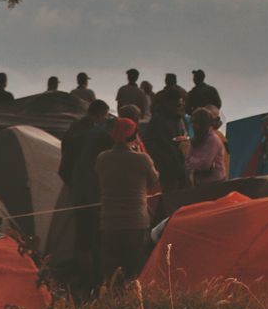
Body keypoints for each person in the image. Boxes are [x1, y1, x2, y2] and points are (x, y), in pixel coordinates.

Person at [95, 118, 159, 281]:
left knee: (111, 271)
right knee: (134, 269)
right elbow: (153, 181)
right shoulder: (141, 159)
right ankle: (132, 303)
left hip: (109, 221)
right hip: (135, 221)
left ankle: (110, 301)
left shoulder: (102, 158)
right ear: (134, 136)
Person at [60, 100, 111, 281]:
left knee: (82, 235)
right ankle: (93, 279)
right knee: (94, 236)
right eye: (104, 116)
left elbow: (65, 161)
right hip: (91, 191)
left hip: (76, 186)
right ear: (98, 115)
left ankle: (83, 276)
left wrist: (71, 181)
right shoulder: (94, 136)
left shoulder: (73, 130)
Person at [143, 92, 189, 191]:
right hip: (166, 170)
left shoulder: (180, 119)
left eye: (181, 104)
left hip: (181, 167)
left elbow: (184, 137)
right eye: (178, 104)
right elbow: (148, 142)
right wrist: (164, 159)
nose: (180, 107)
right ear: (169, 104)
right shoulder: (158, 120)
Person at [185, 107, 227, 186]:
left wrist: (192, 161)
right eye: (193, 123)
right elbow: (187, 161)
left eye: (196, 123)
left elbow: (205, 165)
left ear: (203, 123)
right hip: (199, 182)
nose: (193, 126)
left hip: (215, 183)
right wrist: (196, 161)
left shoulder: (213, 140)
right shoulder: (197, 139)